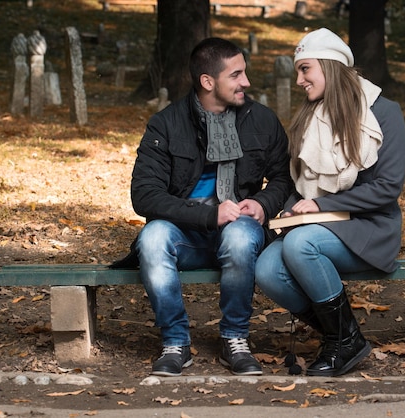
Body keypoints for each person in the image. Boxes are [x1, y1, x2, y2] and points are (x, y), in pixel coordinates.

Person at [118, 37, 293, 377]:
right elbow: (144, 195)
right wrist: (208, 214)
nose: (246, 82)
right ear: (208, 82)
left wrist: (263, 203)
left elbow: (285, 178)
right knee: (151, 239)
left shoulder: (262, 120)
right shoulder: (166, 124)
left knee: (241, 238)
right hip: (185, 233)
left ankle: (235, 340)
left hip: (238, 230)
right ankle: (175, 343)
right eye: (236, 75)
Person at [255, 28, 405, 377]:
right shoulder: (311, 115)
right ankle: (342, 335)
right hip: (317, 226)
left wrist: (318, 208)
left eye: (305, 69)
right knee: (266, 269)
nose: (299, 80)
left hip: (369, 228)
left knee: (301, 243)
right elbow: (302, 183)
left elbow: (387, 187)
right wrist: (292, 207)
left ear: (329, 66)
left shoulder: (384, 112)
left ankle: (343, 342)